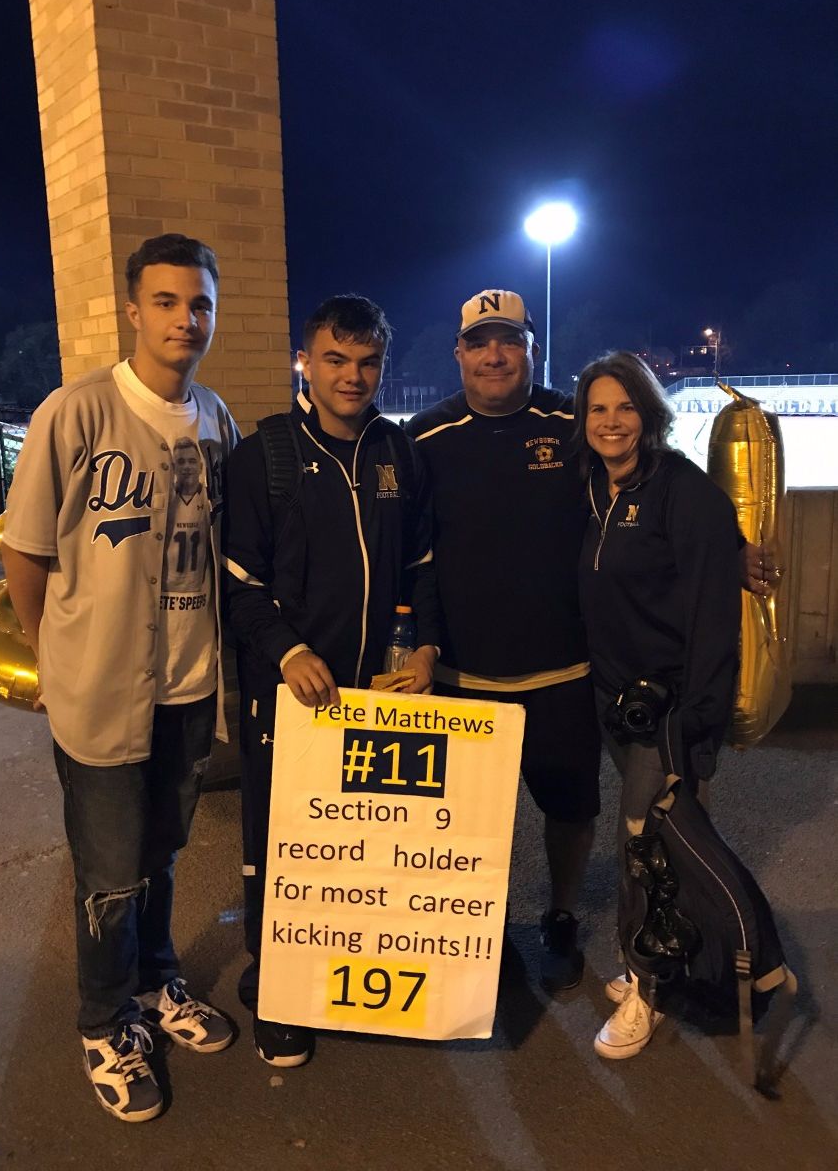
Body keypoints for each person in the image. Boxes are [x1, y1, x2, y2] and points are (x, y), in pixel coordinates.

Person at [1, 234, 240, 1123]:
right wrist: (51, 658)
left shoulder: (217, 420)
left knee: (161, 855)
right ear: (134, 309)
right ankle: (104, 1022)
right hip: (99, 692)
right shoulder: (77, 411)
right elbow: (26, 553)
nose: (187, 319)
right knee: (106, 872)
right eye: (169, 301)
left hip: (184, 686)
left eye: (201, 304)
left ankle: (158, 980)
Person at [223, 293, 440, 1068]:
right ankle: (277, 991)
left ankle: (354, 978)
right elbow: (239, 581)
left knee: (368, 846)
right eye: (337, 360)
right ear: (305, 362)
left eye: (368, 361)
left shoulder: (398, 451)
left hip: (377, 701)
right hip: (290, 696)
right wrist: (285, 651)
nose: (353, 376)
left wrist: (422, 650)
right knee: (281, 847)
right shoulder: (267, 455)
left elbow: (421, 567)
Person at [405, 289, 601, 993]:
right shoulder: (423, 439)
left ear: (532, 348)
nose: (495, 355)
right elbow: (410, 553)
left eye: (509, 340)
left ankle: (561, 913)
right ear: (457, 353)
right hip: (464, 676)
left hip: (564, 671)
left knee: (572, 810)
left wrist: (726, 545)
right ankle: (474, 925)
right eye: (480, 342)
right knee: (468, 822)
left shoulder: (577, 424)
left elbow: (653, 493)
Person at [573, 350, 741, 1059]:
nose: (611, 422)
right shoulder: (594, 489)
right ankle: (653, 959)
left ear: (649, 412)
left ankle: (648, 986)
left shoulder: (683, 491)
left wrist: (699, 723)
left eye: (625, 407)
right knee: (647, 841)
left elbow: (712, 612)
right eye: (598, 409)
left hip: (669, 708)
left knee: (643, 843)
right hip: (616, 699)